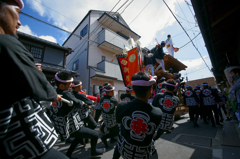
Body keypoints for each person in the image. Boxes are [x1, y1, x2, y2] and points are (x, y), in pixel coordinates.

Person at [0, 0, 66, 158]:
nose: (20, 22)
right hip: (27, 145)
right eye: (18, 11)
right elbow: (41, 87)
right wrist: (54, 95)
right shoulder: (7, 44)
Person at [52, 72, 105, 158]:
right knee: (95, 134)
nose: (71, 85)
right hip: (72, 126)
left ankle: (69, 154)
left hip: (65, 125)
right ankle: (94, 151)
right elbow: (78, 102)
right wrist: (83, 102)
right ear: (62, 86)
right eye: (70, 84)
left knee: (79, 137)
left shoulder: (56, 92)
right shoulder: (66, 93)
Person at [113, 71, 162, 159]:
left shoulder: (121, 106)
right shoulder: (157, 113)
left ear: (133, 88)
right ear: (150, 90)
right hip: (143, 154)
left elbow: (118, 122)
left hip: (124, 149)